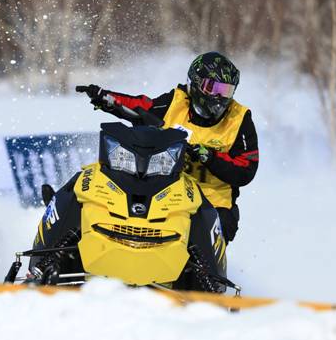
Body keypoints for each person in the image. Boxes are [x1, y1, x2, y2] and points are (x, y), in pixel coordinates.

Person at [76, 51, 259, 243]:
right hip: (169, 192)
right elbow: (140, 107)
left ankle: (203, 270)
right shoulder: (175, 102)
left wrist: (209, 157)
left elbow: (246, 170)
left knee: (209, 230)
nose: (220, 97)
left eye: (227, 91)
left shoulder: (240, 119)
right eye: (214, 88)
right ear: (196, 82)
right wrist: (105, 99)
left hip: (213, 202)